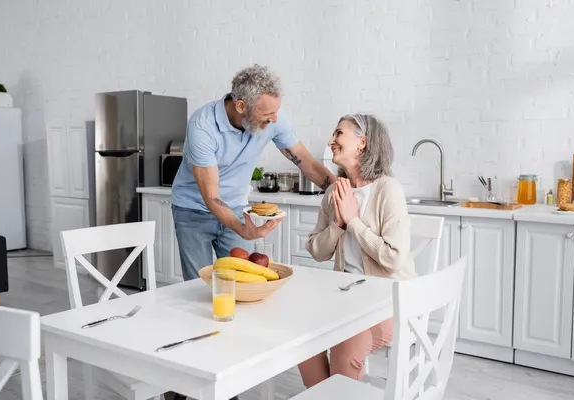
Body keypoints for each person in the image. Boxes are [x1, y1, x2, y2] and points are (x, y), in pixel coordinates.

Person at [171, 64, 336, 282]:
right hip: (193, 210)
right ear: (241, 106)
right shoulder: (203, 126)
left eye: (276, 111)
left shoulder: (274, 119)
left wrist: (340, 192)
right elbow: (211, 196)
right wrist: (243, 229)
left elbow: (308, 164)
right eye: (268, 113)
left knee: (245, 281)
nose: (275, 119)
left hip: (237, 207)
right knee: (200, 286)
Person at [297, 114, 416, 388]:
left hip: (392, 301)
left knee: (345, 348)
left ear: (362, 143)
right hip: (347, 299)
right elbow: (317, 251)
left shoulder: (388, 190)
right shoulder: (334, 193)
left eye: (339, 133)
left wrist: (353, 222)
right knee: (302, 337)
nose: (331, 141)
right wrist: (337, 225)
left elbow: (394, 258)